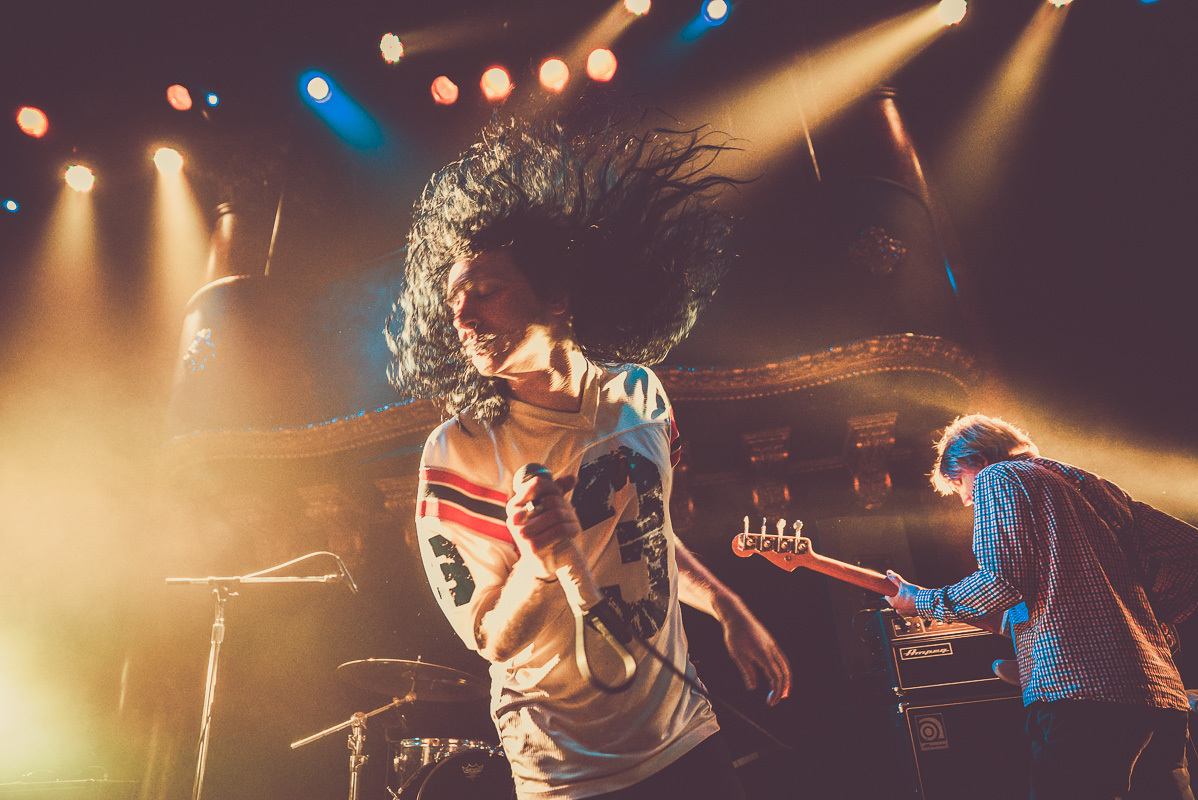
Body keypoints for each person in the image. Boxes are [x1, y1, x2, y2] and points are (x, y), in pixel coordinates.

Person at [387, 119, 791, 800]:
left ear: (557, 297)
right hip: (566, 772)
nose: (462, 314)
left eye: (485, 289)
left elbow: (645, 531)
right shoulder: (454, 457)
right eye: (455, 301)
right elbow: (488, 634)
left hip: (686, 733)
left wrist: (726, 606)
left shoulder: (640, 396)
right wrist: (539, 566)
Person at [885, 413, 1198, 799]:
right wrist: (1148, 617)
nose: (966, 498)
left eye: (959, 481)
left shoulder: (998, 477)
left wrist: (921, 601)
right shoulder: (1089, 483)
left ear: (977, 461)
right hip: (1161, 692)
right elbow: (1190, 551)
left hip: (1080, 695)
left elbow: (1002, 582)